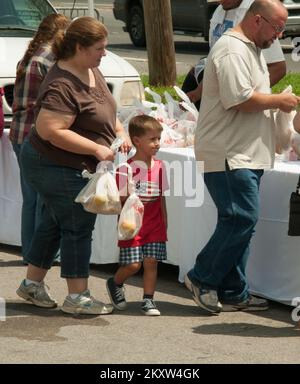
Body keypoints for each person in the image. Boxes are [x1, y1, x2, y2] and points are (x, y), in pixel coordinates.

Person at [184, 0, 300, 314]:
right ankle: (202, 277)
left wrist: (278, 102)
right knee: (240, 218)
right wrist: (280, 99)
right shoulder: (233, 49)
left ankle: (235, 290)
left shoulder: (251, 49)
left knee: (240, 222)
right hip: (228, 153)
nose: (279, 35)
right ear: (257, 20)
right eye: (277, 28)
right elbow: (240, 100)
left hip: (242, 153)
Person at [16, 16, 131, 315]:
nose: (104, 53)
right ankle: (77, 297)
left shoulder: (91, 68)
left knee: (56, 221)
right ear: (79, 47)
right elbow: (50, 130)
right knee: (78, 224)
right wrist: (96, 148)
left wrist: (119, 131)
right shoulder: (62, 84)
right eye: (99, 48)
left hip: (71, 164)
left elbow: (103, 109)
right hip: (51, 164)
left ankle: (32, 284)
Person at [9, 14, 69, 263]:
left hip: (19, 131)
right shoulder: (49, 59)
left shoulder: (28, 57)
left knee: (30, 199)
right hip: (36, 134)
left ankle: (29, 252)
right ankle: (40, 255)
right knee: (43, 199)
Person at [106, 115, 168, 316]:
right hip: (132, 224)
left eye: (159, 138)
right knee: (133, 264)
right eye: (152, 139)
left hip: (154, 224)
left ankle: (148, 300)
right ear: (137, 141)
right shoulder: (126, 169)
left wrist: (164, 222)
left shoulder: (160, 167)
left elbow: (161, 197)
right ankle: (115, 282)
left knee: (151, 262)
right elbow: (120, 200)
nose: (157, 143)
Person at [183, 0, 287, 108]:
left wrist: (253, 98)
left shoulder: (255, 13)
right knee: (195, 73)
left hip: (240, 100)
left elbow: (278, 68)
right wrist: (196, 94)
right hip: (225, 92)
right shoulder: (220, 10)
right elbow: (214, 64)